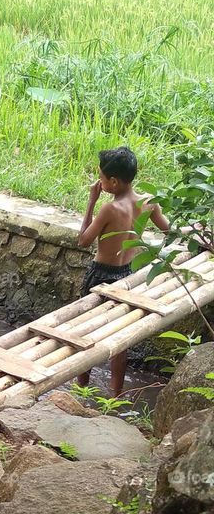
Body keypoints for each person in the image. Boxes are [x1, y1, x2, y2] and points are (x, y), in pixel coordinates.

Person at [77, 146, 169, 396]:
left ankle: (81, 388)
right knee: (120, 339)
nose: (99, 182)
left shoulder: (110, 208)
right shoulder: (149, 203)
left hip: (100, 275)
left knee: (85, 331)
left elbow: (83, 241)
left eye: (102, 178)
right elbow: (168, 231)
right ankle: (115, 396)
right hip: (127, 275)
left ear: (114, 182)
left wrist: (91, 201)